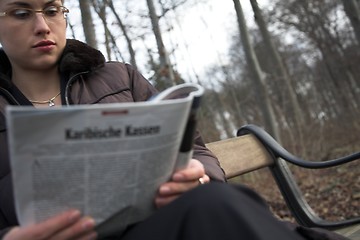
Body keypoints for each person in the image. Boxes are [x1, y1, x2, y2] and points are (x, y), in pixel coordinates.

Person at [0, 1, 349, 240]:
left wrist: (198, 175)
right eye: (20, 12)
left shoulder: (119, 77)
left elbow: (195, 150)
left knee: (214, 203)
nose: (43, 25)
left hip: (158, 228)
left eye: (52, 10)